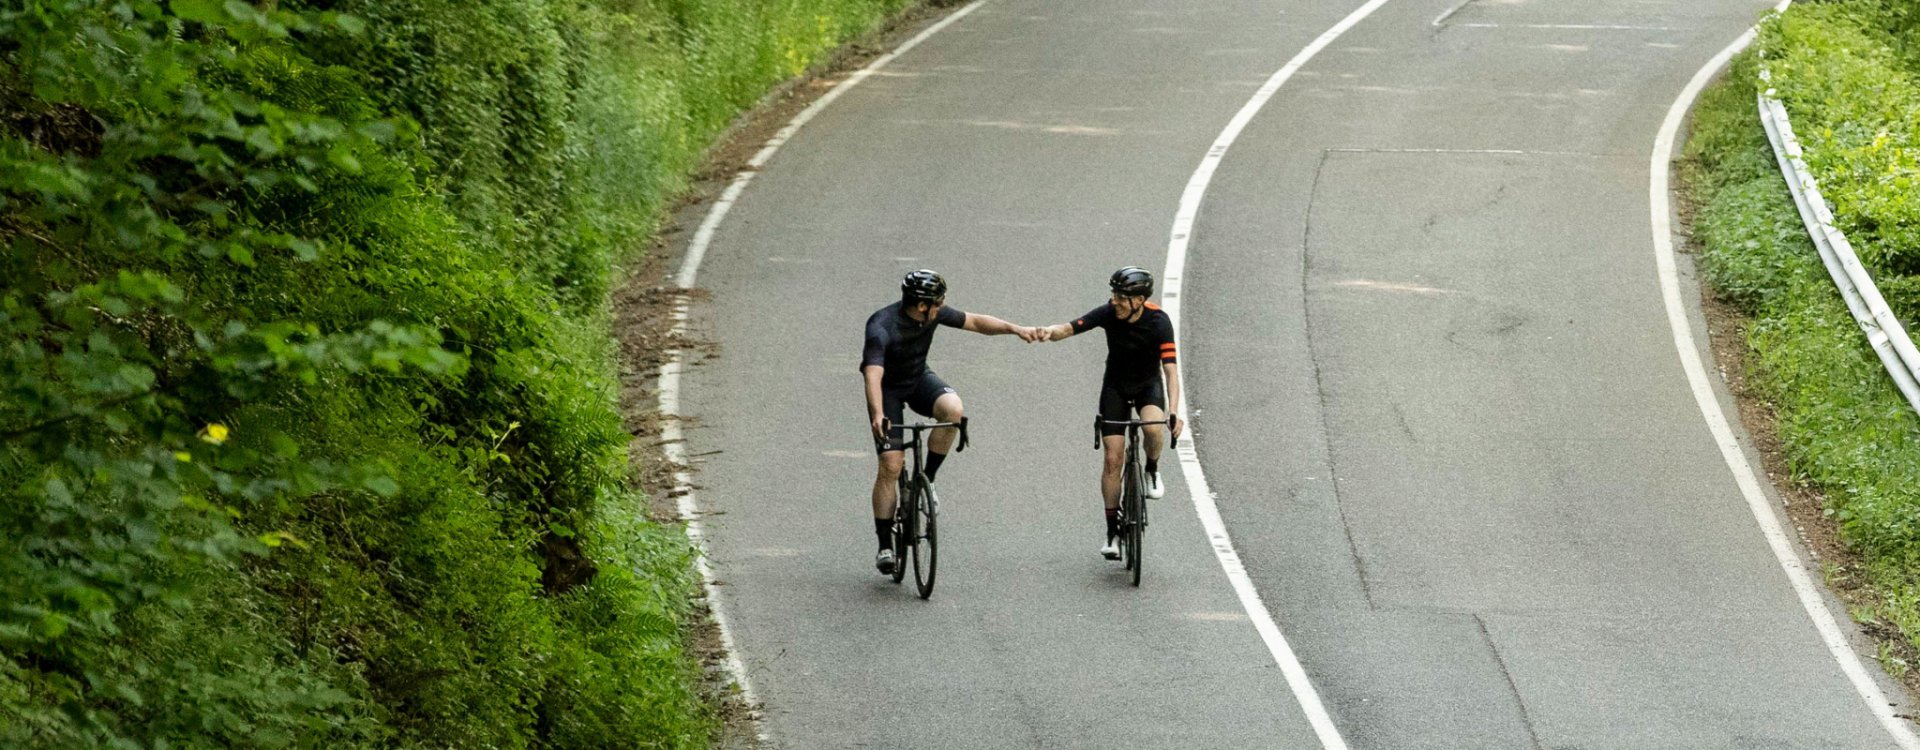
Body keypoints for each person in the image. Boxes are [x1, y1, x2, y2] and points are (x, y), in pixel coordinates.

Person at [862, 269, 1042, 574]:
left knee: (953, 410)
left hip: (918, 379)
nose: (942, 305)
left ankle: (927, 480)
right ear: (922, 305)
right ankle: (884, 545)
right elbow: (873, 374)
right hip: (887, 391)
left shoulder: (933, 314)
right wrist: (878, 413)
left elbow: (974, 322)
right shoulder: (882, 326)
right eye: (938, 301)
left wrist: (1015, 328)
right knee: (891, 465)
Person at [1037, 266, 1183, 559]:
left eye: (1121, 296)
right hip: (1115, 387)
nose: (1114, 300)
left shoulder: (1159, 322)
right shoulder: (1107, 313)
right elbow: (1069, 328)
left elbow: (1170, 369)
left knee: (1153, 428)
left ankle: (1152, 469)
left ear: (1140, 299)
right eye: (1113, 294)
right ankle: (1112, 532)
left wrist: (1174, 411)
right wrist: (1046, 332)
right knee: (1112, 457)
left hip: (1147, 386)